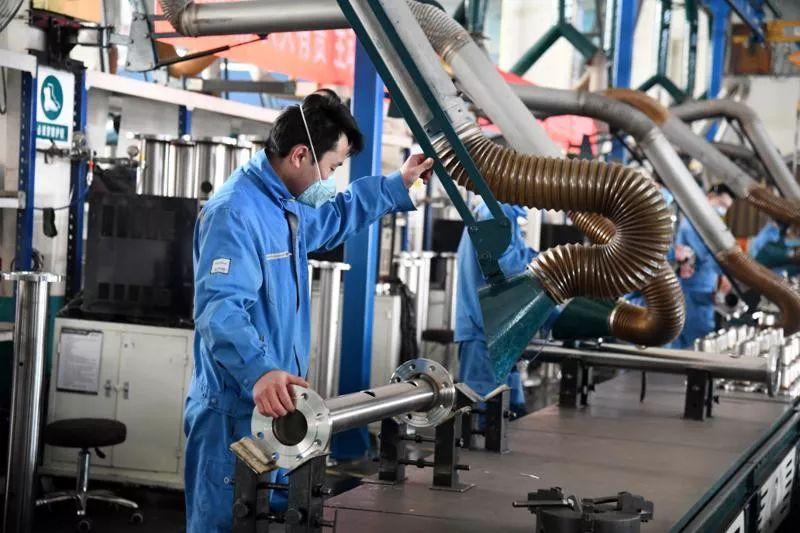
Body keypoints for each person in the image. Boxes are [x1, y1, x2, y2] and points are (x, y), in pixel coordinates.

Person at [185, 91, 434, 532]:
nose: (332, 179)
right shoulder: (235, 213)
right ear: (300, 155)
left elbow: (335, 217)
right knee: (224, 523)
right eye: (333, 168)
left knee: (269, 520)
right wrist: (260, 371)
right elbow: (220, 310)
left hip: (277, 404)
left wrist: (398, 184)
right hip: (235, 410)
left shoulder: (284, 206)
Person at [454, 200, 536, 417]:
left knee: (509, 415)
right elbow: (509, 267)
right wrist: (549, 262)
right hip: (485, 332)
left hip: (497, 331)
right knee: (483, 414)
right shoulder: (496, 211)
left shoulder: (499, 211)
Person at [669, 184, 735, 348]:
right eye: (721, 204)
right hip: (692, 293)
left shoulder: (705, 226)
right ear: (710, 196)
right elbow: (709, 257)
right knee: (695, 344)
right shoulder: (693, 225)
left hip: (703, 292)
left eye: (726, 208)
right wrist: (730, 275)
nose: (722, 210)